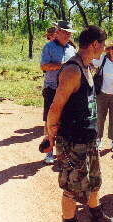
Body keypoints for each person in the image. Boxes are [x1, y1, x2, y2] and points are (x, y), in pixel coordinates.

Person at [46, 25, 113, 222]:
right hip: (73, 140)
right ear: (95, 44)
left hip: (88, 137)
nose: (105, 48)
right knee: (71, 188)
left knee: (95, 181)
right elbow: (55, 107)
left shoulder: (88, 66)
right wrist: (51, 136)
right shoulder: (72, 70)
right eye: (103, 44)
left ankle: (96, 216)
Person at [40, 20, 77, 164]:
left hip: (68, 90)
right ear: (58, 32)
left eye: (70, 33)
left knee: (66, 121)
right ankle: (48, 152)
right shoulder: (48, 47)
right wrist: (62, 66)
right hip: (52, 89)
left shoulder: (71, 49)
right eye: (66, 32)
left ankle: (63, 153)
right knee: (50, 121)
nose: (68, 35)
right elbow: (43, 66)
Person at [92, 39, 113, 152]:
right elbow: (90, 61)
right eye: (112, 48)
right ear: (108, 50)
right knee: (100, 118)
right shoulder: (102, 59)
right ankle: (98, 139)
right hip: (102, 93)